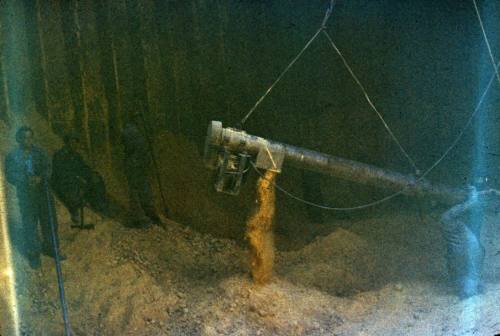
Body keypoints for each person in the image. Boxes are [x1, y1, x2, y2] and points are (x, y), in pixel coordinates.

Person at [4, 126, 62, 268]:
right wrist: (24, 180)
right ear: (18, 139)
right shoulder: (12, 156)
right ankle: (34, 254)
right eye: (23, 137)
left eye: (29, 137)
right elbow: (10, 174)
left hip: (43, 193)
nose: (27, 140)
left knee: (49, 221)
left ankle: (51, 248)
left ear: (33, 139)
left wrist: (41, 178)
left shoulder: (40, 153)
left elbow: (48, 168)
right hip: (26, 195)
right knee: (30, 224)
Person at [440, 176, 495, 299]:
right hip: (464, 252)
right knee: (470, 274)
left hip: (458, 252)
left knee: (464, 273)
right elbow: (471, 204)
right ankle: (468, 290)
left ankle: (468, 287)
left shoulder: (448, 220)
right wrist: (473, 193)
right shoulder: (448, 217)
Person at [51, 133, 108, 225]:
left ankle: (99, 205)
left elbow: (83, 167)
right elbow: (60, 172)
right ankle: (74, 212)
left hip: (75, 179)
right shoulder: (59, 155)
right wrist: (77, 177)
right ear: (66, 143)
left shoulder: (76, 155)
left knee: (97, 179)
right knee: (73, 189)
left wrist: (92, 174)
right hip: (62, 181)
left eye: (75, 143)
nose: (74, 145)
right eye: (72, 142)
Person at [121, 112, 161, 227]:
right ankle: (139, 219)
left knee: (144, 189)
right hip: (133, 165)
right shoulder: (129, 130)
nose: (141, 120)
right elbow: (130, 149)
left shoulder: (138, 130)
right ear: (134, 118)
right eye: (138, 117)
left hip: (139, 165)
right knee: (135, 191)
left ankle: (148, 214)